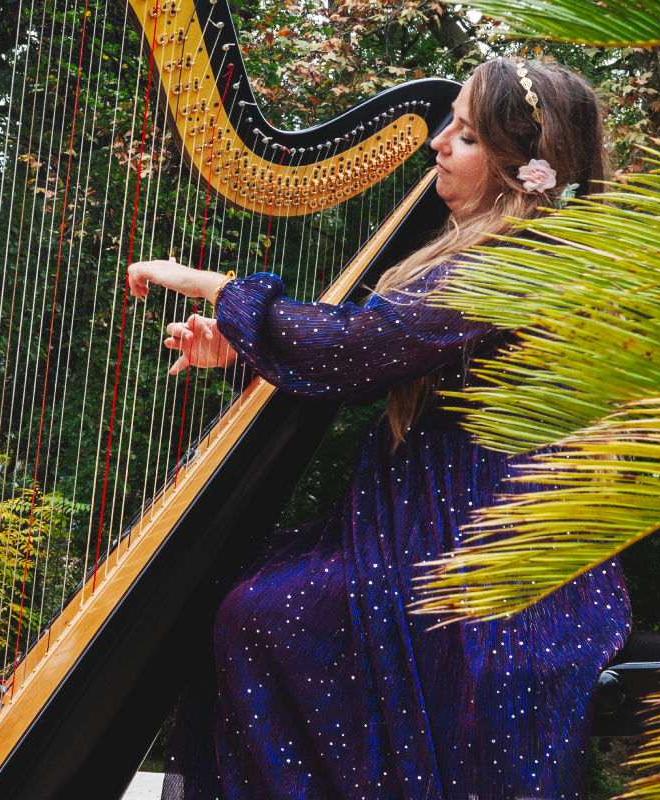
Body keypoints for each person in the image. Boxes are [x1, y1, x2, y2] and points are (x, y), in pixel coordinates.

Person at [128, 58, 632, 800]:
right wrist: (243, 349)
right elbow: (377, 355)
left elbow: (350, 348)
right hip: (428, 523)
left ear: (514, 162)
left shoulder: (516, 261)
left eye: (462, 135)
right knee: (248, 598)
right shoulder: (487, 252)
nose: (437, 145)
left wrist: (217, 287)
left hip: (476, 545)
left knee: (257, 613)